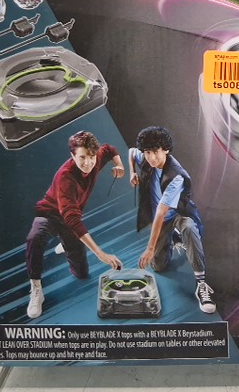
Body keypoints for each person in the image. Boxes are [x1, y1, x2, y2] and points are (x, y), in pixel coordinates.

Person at [24, 131, 124, 318]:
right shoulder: (66, 177)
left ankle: (65, 243)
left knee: (82, 273)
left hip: (69, 221)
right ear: (73, 155)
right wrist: (101, 254)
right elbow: (72, 219)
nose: (88, 163)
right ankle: (36, 288)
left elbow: (109, 149)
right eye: (82, 157)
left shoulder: (96, 158)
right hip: (50, 214)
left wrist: (119, 164)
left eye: (91, 157)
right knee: (34, 238)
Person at [128, 125, 216, 314]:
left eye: (156, 152)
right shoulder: (144, 158)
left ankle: (201, 284)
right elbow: (131, 152)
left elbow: (161, 213)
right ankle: (173, 238)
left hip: (179, 213)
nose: (151, 157)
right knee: (158, 266)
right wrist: (132, 172)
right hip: (162, 220)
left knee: (189, 228)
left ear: (166, 149)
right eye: (148, 152)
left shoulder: (176, 176)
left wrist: (149, 248)